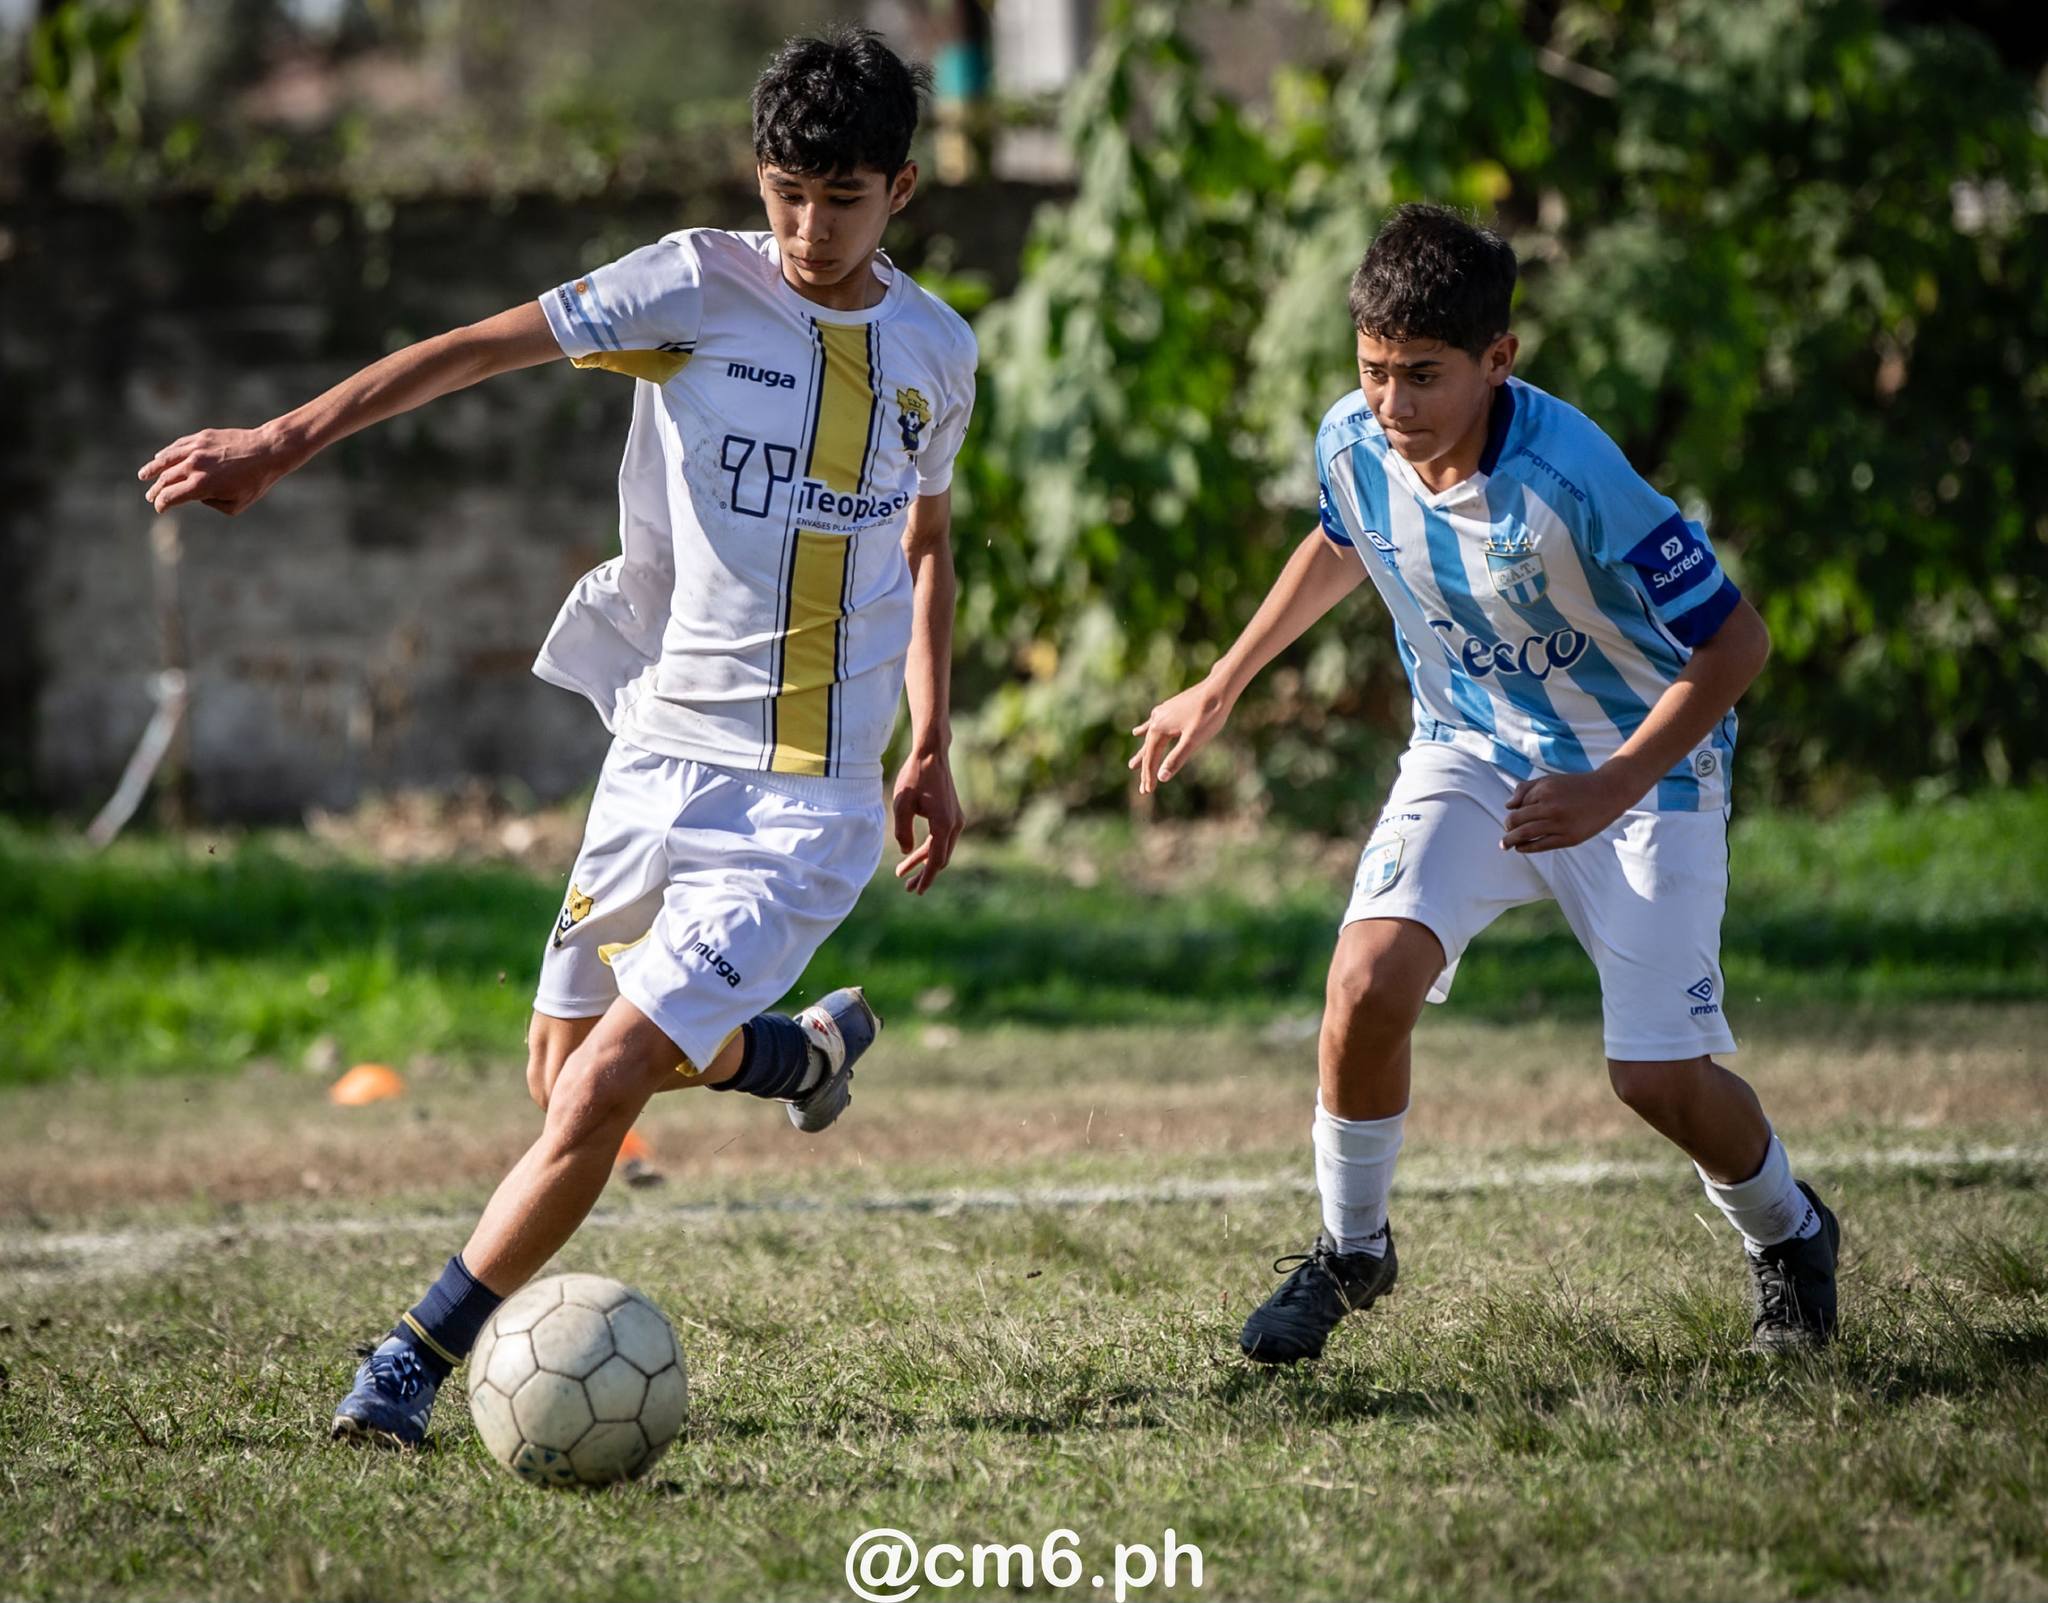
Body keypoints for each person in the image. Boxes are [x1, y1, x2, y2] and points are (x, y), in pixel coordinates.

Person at [137, 27, 977, 1444]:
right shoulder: (695, 284)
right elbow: (474, 349)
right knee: (564, 1065)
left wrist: (934, 735)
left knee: (598, 1084)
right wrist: (278, 442)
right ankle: (792, 1061)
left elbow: (932, 537)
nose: (807, 229)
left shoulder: (935, 352)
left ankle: (409, 1358)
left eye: (841, 199)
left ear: (901, 187)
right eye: (784, 192)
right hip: (657, 755)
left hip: (804, 803)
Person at [1130, 203, 1839, 1364]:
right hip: (1468, 749)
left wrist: (1608, 785)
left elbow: (1736, 647)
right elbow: (1339, 538)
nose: (1392, 405)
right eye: (1371, 371)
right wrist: (1218, 684)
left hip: (1639, 774)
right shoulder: (1352, 442)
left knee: (1652, 1075)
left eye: (1422, 376)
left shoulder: (1579, 475)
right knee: (1361, 981)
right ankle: (1349, 1248)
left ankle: (1787, 1231)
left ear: (1496, 361)